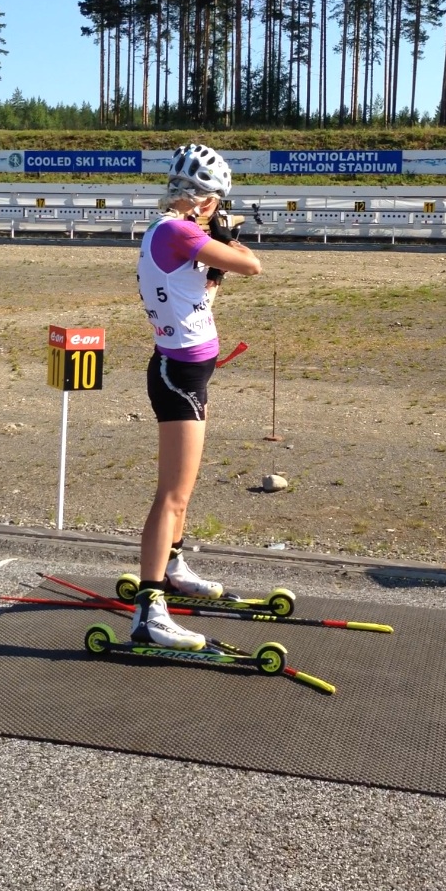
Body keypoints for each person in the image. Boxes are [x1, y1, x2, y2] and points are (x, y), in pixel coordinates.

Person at [130, 143, 262, 650]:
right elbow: (255, 266)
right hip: (178, 377)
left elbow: (203, 297)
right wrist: (231, 242)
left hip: (187, 372)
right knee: (172, 496)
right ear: (205, 200)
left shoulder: (174, 234)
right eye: (217, 201)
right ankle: (149, 609)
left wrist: (216, 265)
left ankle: (173, 565)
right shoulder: (180, 230)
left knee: (180, 492)